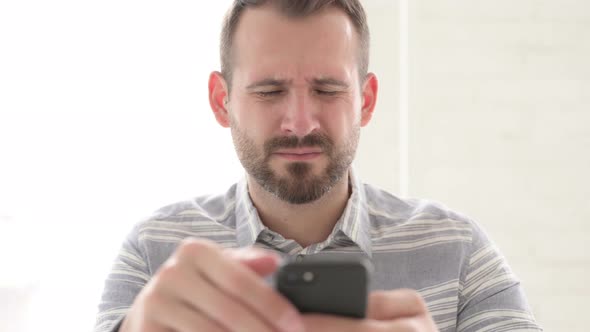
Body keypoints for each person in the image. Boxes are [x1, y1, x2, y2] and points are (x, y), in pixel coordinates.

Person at [94, 1, 542, 331]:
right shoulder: (153, 250)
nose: (300, 123)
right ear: (221, 101)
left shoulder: (458, 250)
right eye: (269, 92)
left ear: (365, 102)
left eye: (327, 91)